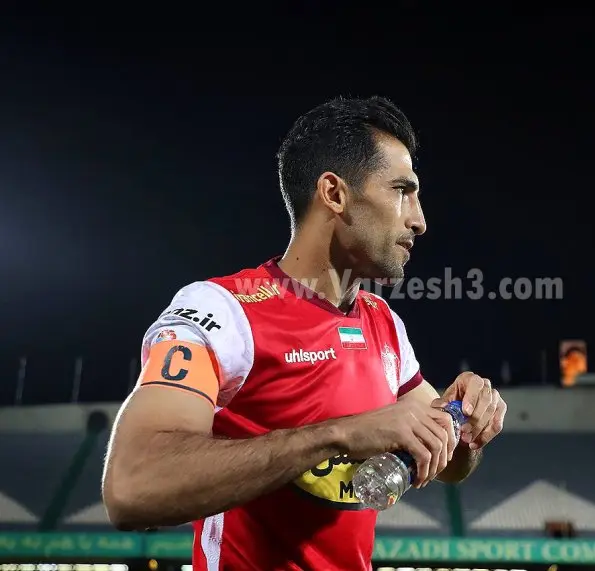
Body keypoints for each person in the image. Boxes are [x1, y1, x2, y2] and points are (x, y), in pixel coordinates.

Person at [102, 96, 507, 571]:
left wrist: (465, 421)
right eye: (402, 191)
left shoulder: (384, 323)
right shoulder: (223, 310)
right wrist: (341, 434)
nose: (419, 220)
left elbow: (450, 465)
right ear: (334, 194)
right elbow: (132, 489)